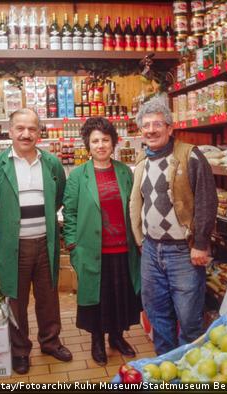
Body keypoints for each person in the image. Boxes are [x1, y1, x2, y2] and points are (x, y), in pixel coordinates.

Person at [0, 108, 72, 375]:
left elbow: (59, 196)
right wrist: (5, 220)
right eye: (20, 128)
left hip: (45, 242)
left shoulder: (50, 163)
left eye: (32, 129)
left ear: (39, 132)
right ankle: (20, 350)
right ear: (10, 131)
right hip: (12, 245)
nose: (26, 134)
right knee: (16, 299)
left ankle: (50, 342)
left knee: (48, 296)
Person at [129, 96, 219, 355]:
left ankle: (189, 373)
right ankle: (166, 369)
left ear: (170, 128)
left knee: (190, 321)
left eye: (158, 124)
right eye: (146, 125)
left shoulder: (190, 155)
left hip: (183, 252)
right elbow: (139, 203)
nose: (151, 130)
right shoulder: (142, 162)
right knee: (159, 318)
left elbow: (206, 200)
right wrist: (141, 240)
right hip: (151, 250)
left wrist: (200, 244)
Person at [62, 117, 142, 366]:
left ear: (113, 143)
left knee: (121, 296)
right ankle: (97, 340)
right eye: (95, 141)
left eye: (105, 140)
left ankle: (116, 337)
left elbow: (134, 206)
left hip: (123, 249)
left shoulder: (124, 172)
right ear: (88, 145)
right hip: (92, 250)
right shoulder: (78, 176)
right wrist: (73, 245)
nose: (100, 145)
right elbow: (70, 213)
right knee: (97, 298)